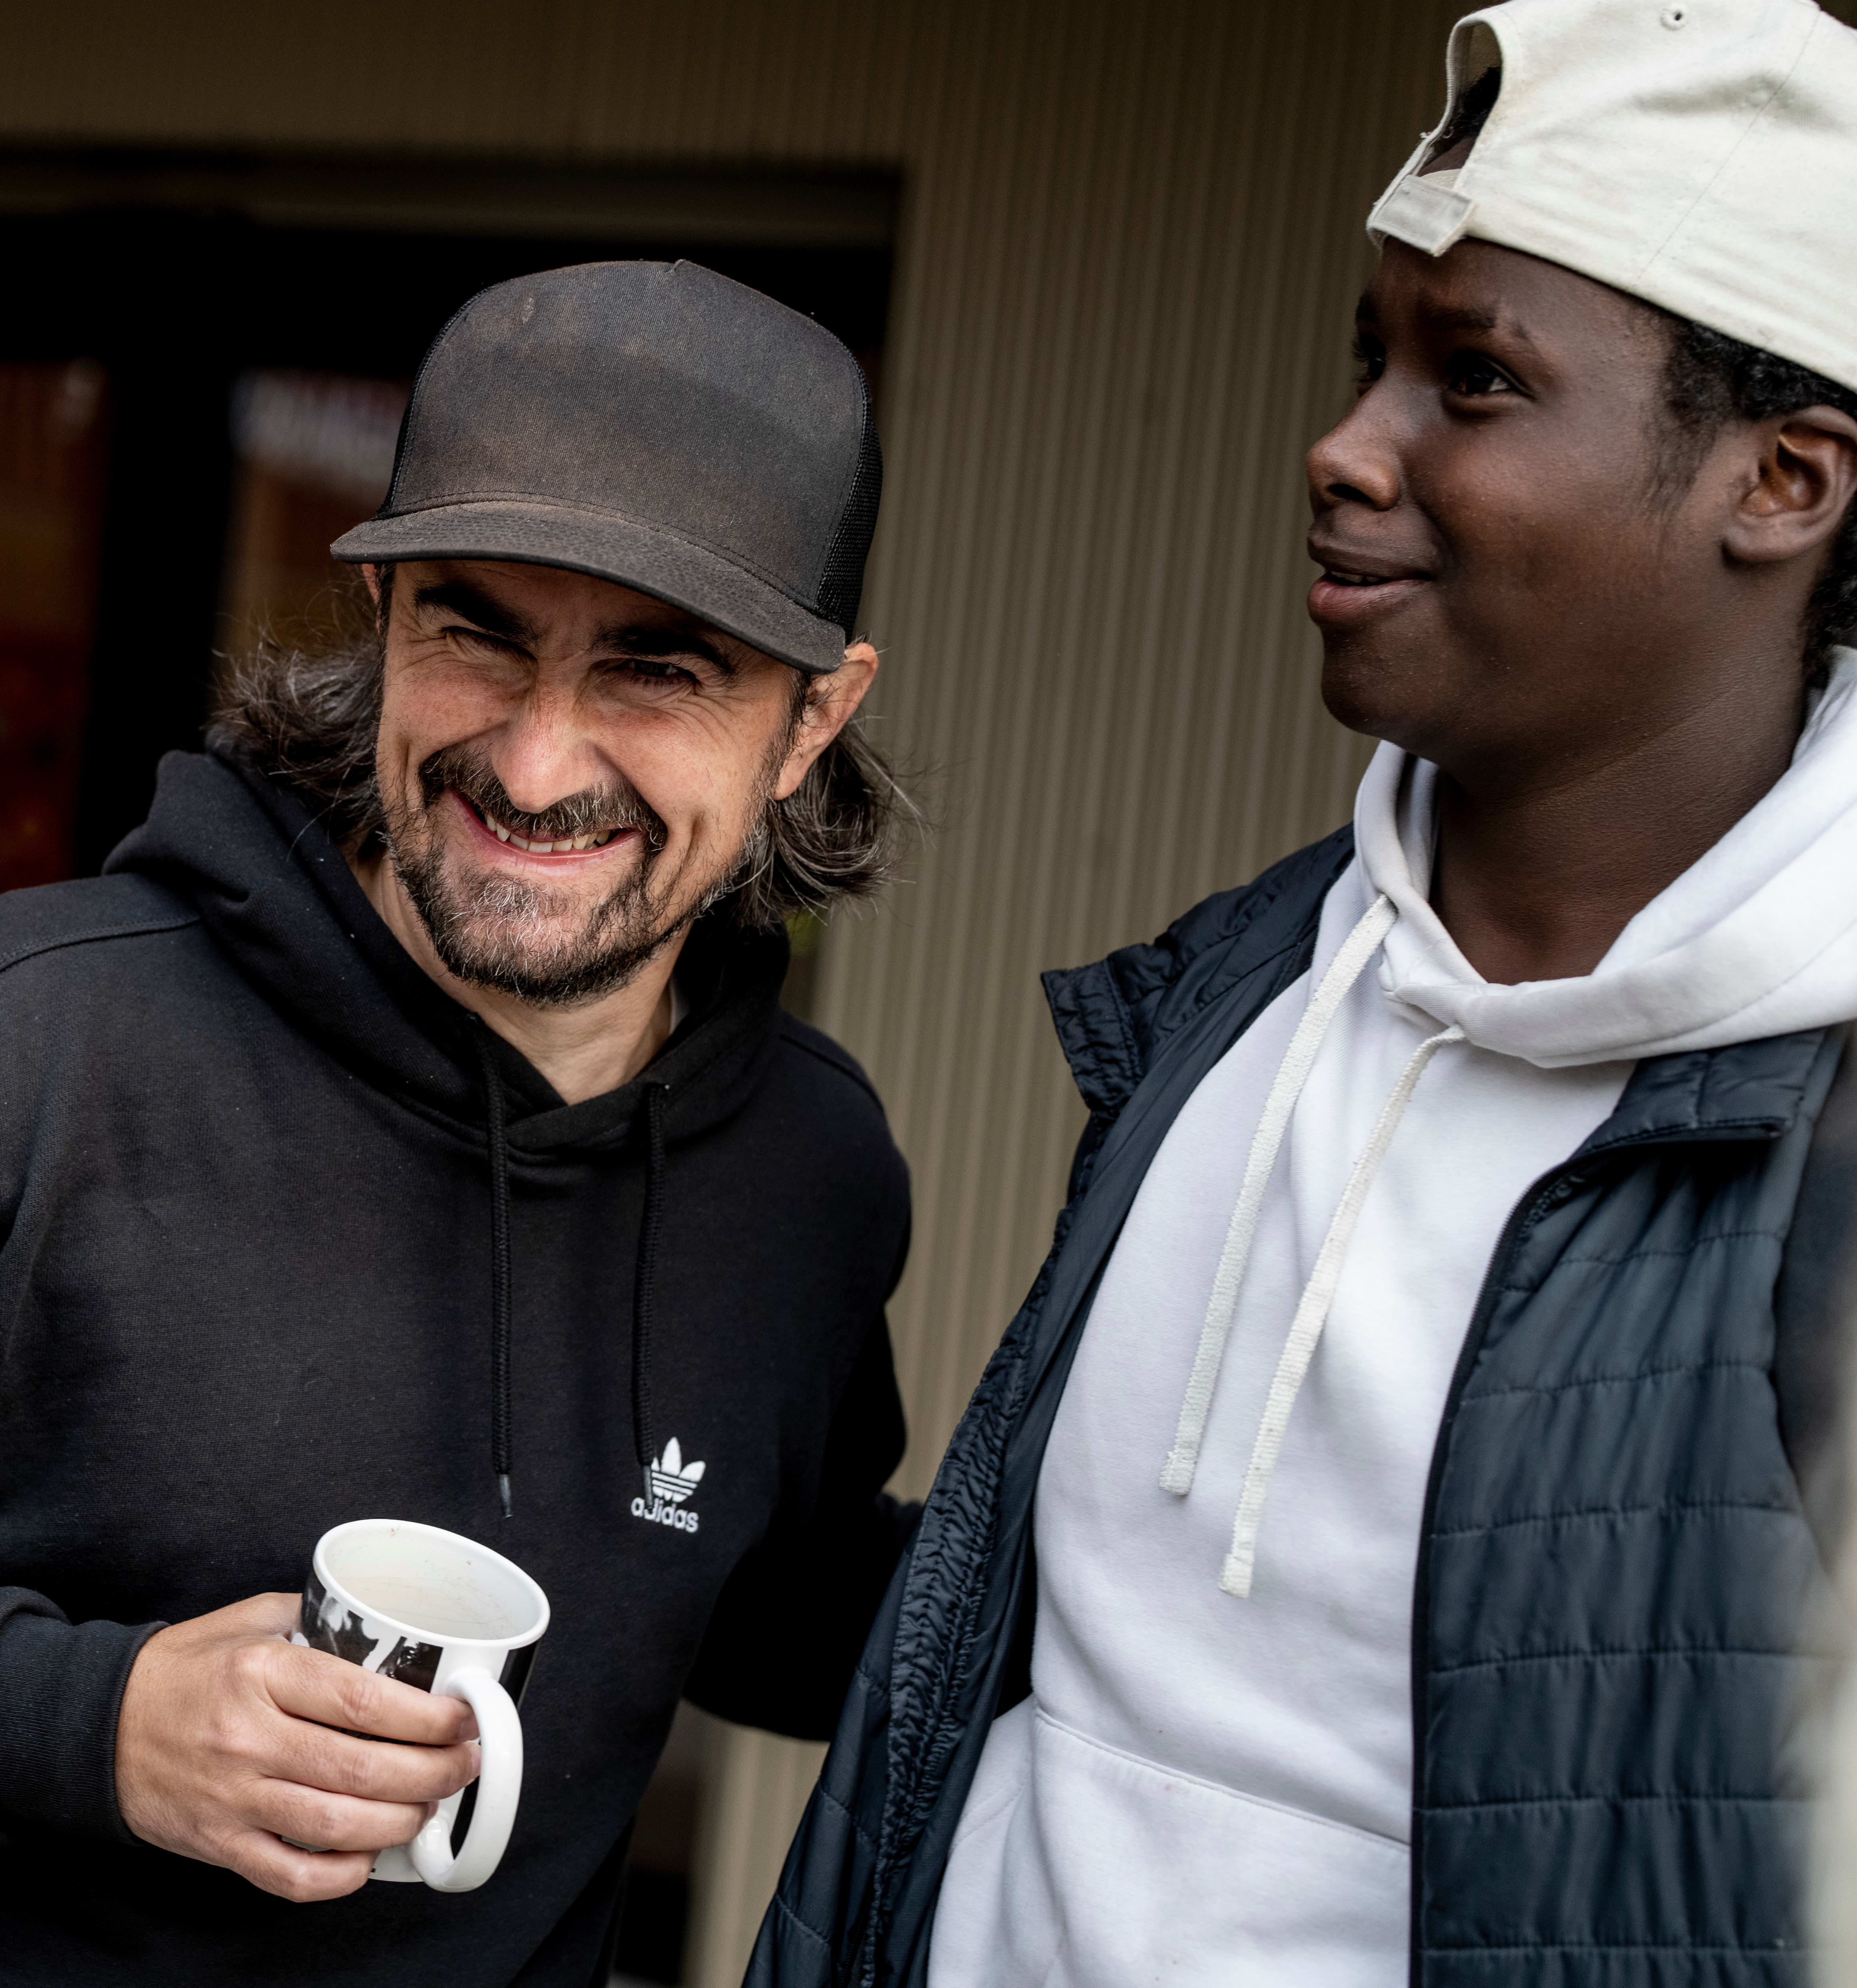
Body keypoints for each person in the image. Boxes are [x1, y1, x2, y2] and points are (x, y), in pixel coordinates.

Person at [0, 259, 919, 1985]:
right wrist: (95, 1723)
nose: (539, 764)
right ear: (382, 613)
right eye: (476, 631)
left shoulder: (808, 1176)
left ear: (812, 721)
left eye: (659, 671)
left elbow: (775, 1607)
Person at [755, 2, 1857, 1983]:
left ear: (1781, 479)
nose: (1347, 447)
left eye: (1479, 379)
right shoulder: (1237, 986)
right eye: (1374, 359)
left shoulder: (1823, 1144)